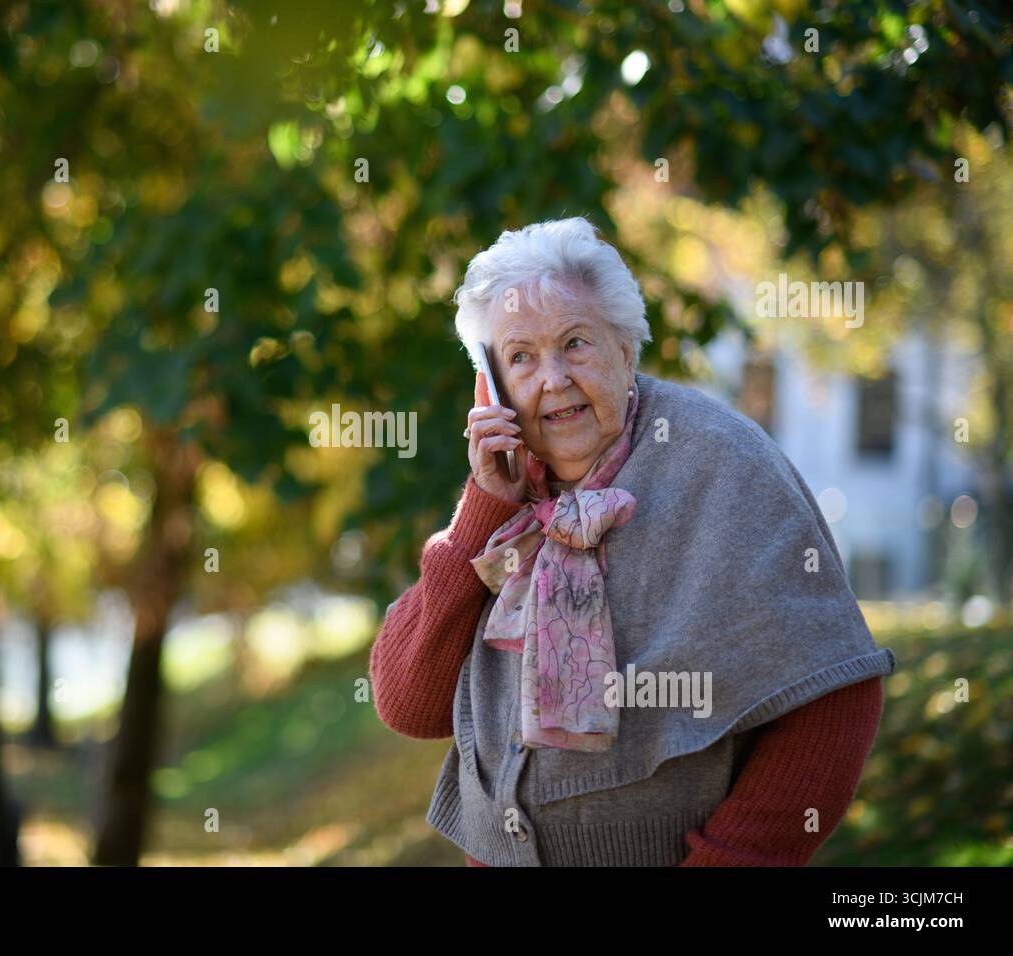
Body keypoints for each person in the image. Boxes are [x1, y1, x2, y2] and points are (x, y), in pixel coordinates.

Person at [369, 216, 896, 866]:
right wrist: (484, 508)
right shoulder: (510, 493)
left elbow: (835, 699)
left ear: (626, 348)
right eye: (520, 357)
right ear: (492, 385)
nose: (552, 379)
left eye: (575, 343)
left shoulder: (722, 464)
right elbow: (409, 704)